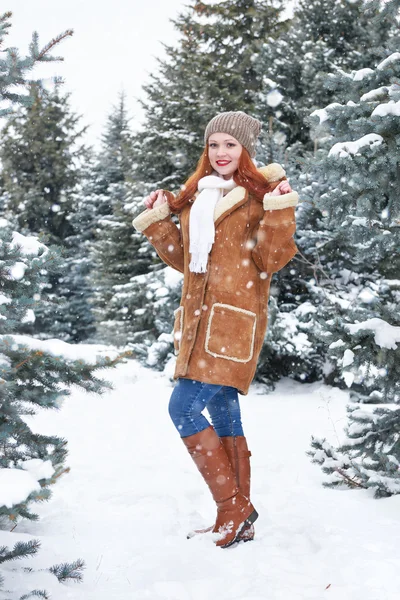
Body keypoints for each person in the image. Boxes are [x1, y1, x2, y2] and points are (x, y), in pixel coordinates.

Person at [132, 111, 298, 549]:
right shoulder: (199, 196)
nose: (221, 153)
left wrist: (280, 210)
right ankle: (238, 516)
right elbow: (185, 259)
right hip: (197, 324)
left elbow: (271, 260)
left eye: (230, 144)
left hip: (232, 326)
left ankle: (232, 507)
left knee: (182, 409)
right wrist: (160, 220)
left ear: (245, 150)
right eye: (213, 145)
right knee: (224, 413)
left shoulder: (260, 196)